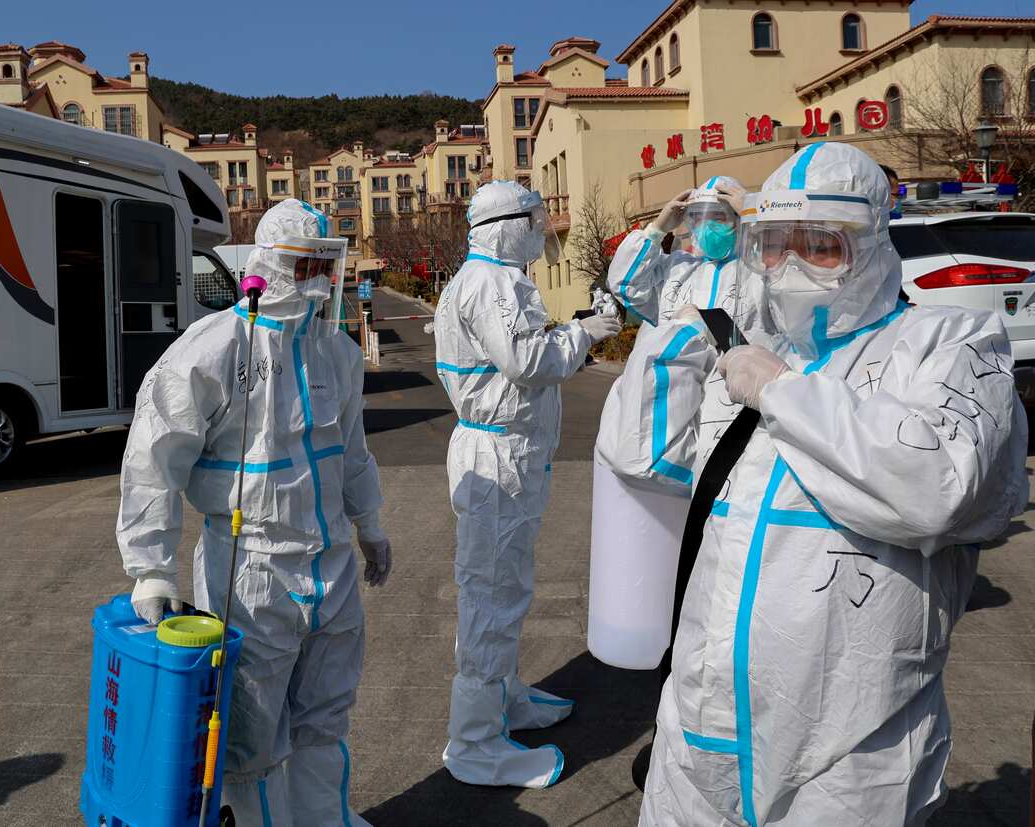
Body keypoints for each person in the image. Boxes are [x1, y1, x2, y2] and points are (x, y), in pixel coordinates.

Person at [597, 142, 1028, 825]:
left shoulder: (946, 342)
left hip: (848, 748)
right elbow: (643, 457)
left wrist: (782, 393)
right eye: (772, 245)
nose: (789, 265)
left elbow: (936, 487)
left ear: (871, 245)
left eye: (820, 245)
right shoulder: (762, 348)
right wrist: (670, 346)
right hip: (699, 724)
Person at [116, 199, 392, 826]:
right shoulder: (216, 348)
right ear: (270, 263)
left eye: (328, 263)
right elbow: (153, 457)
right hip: (252, 568)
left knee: (325, 720)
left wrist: (369, 523)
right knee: (251, 740)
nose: (320, 280)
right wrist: (151, 567)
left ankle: (326, 819)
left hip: (332, 568)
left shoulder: (337, 353)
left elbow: (351, 452)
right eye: (306, 265)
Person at [434, 180, 622, 788]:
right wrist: (588, 332)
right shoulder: (491, 283)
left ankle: (506, 698)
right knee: (489, 596)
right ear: (507, 224)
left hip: (509, 455)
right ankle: (475, 743)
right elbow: (529, 362)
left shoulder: (495, 279)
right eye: (535, 218)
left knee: (506, 586)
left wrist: (573, 332)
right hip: (496, 460)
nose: (543, 227)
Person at [605, 176, 766, 340]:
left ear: (739, 220)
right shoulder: (678, 269)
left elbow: (787, 305)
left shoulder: (760, 270)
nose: (707, 226)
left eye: (718, 217)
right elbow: (623, 283)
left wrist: (758, 225)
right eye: (699, 217)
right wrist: (656, 230)